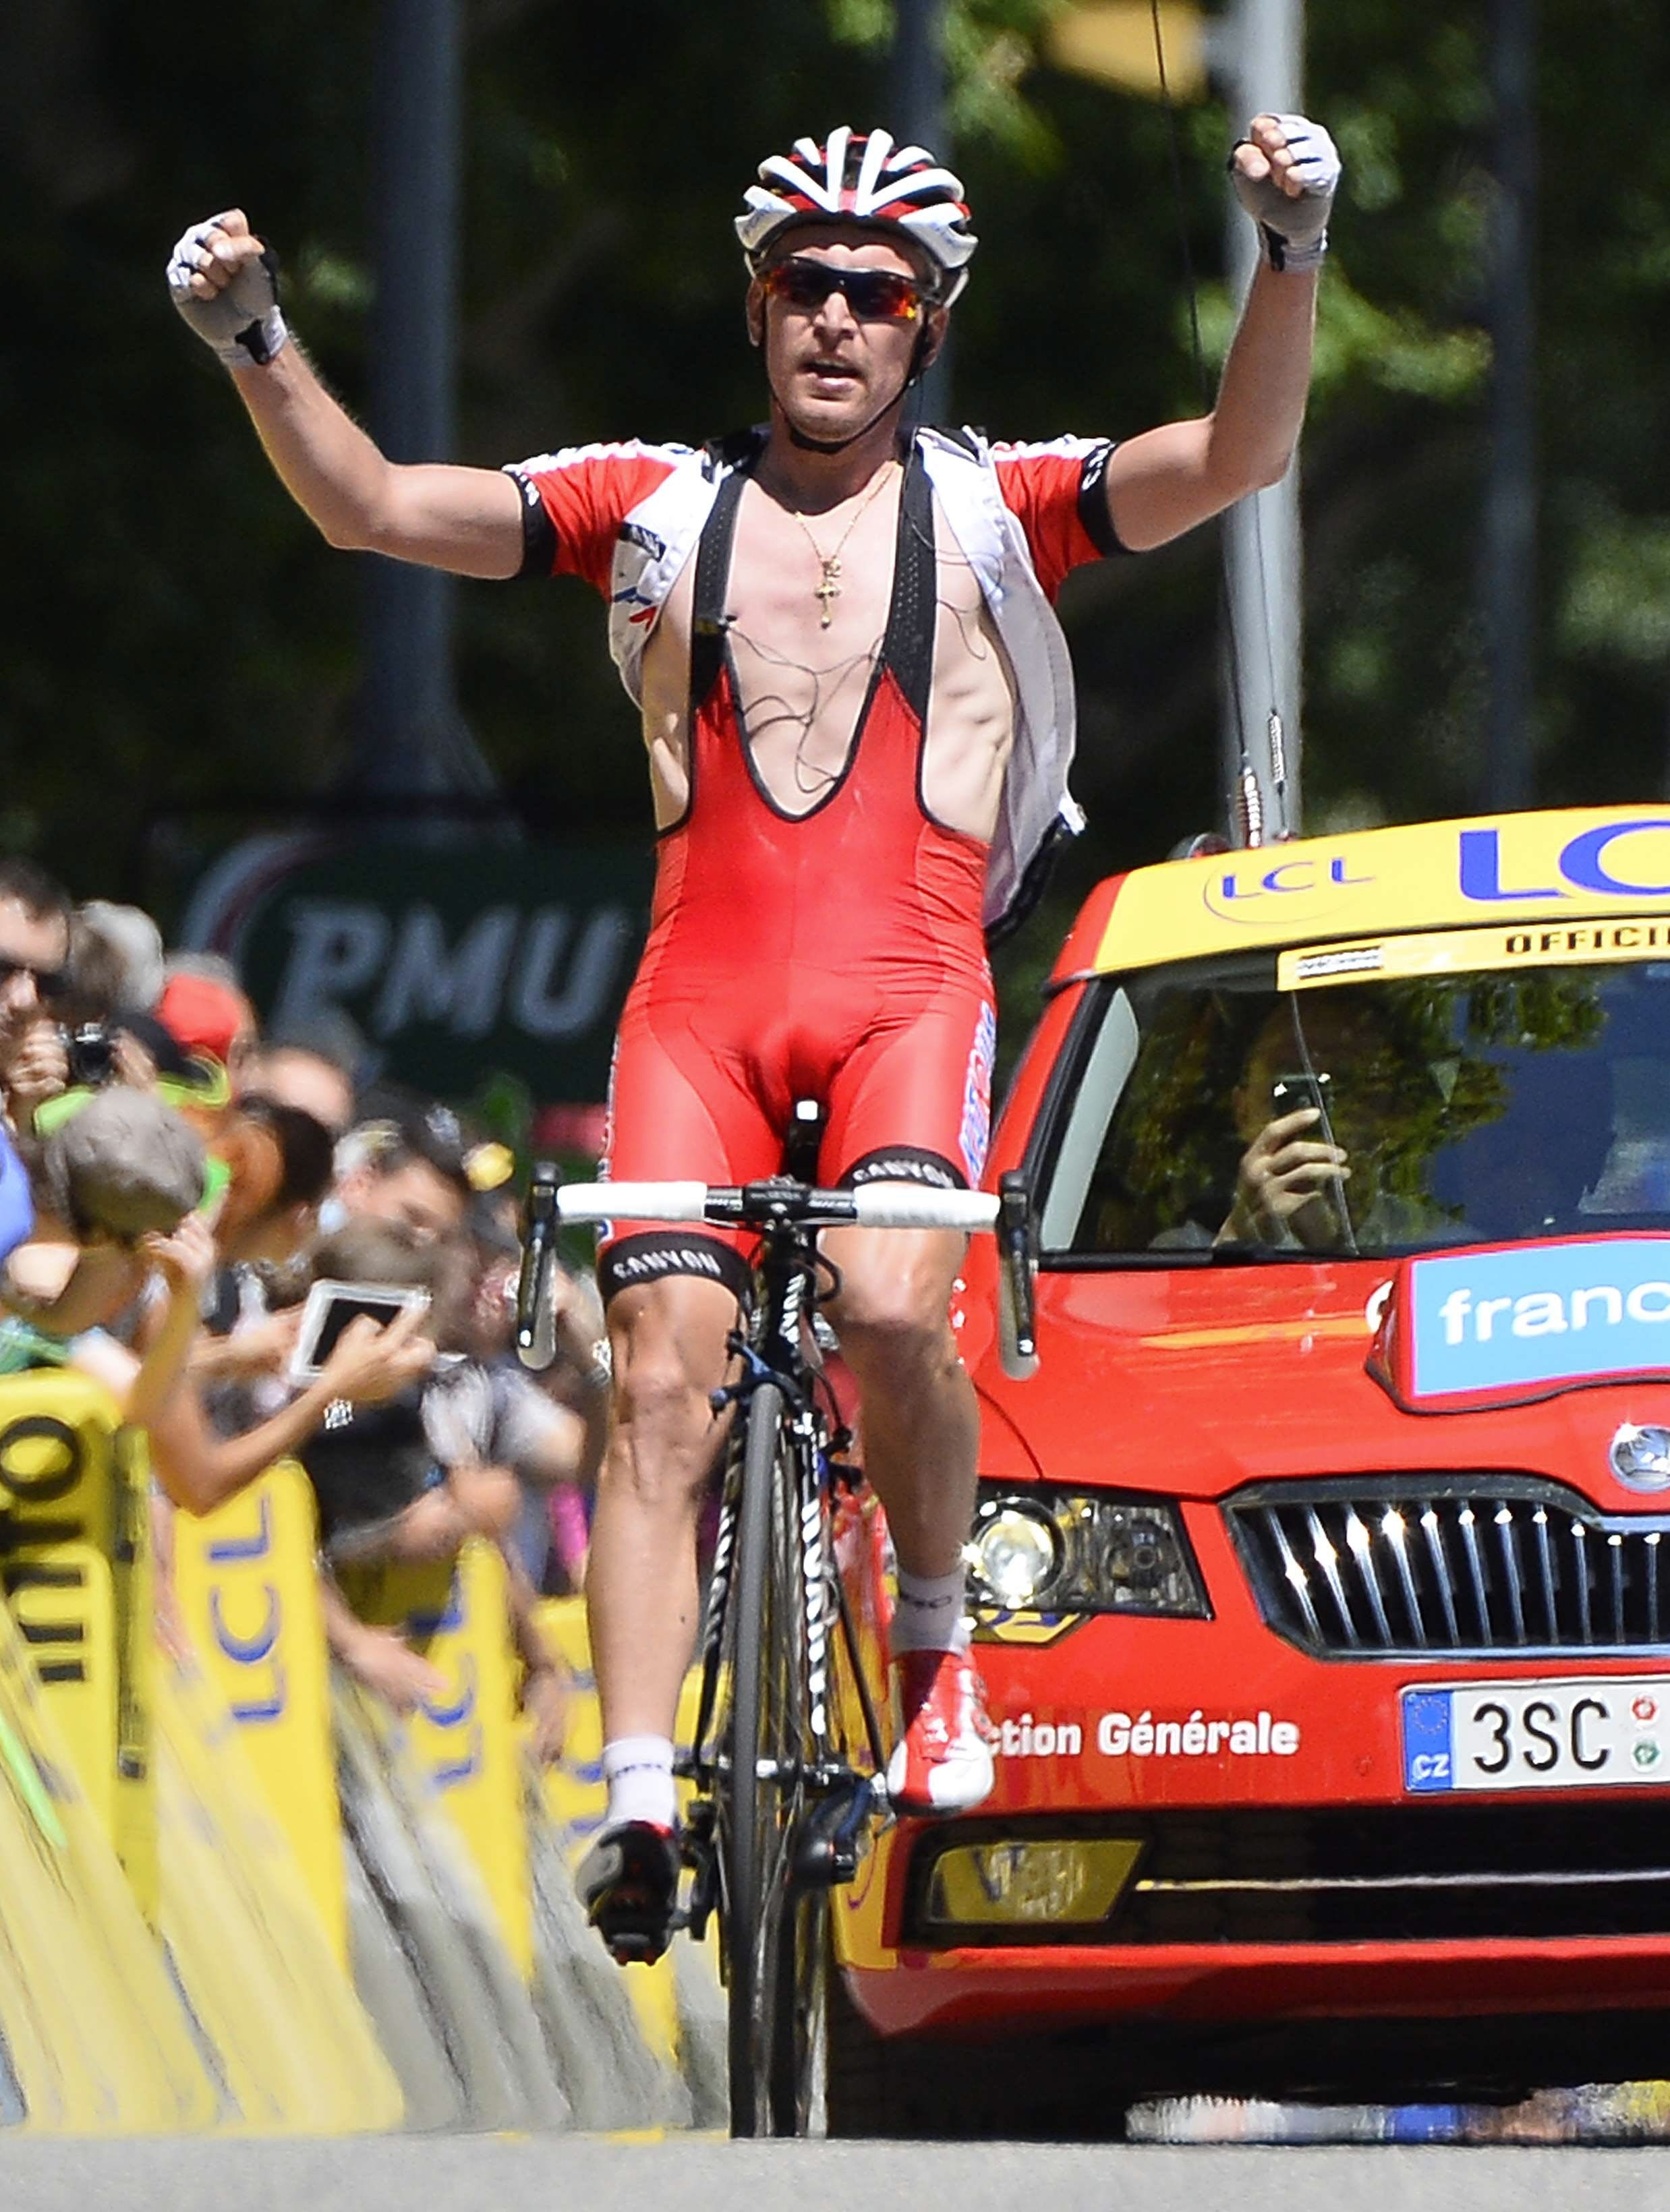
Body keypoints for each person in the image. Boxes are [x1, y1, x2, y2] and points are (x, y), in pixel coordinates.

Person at [172, 113, 1342, 1940]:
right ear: (755, 305)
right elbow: (376, 508)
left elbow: (1244, 451)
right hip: (697, 1010)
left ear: (929, 326)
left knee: (890, 1310)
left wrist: (1291, 248)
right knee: (657, 1380)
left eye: (881, 296)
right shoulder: (650, 503)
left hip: (909, 992)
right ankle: (641, 1804)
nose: (839, 321)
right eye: (807, 283)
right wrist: (258, 337)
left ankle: (939, 1664)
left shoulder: (996, 503)